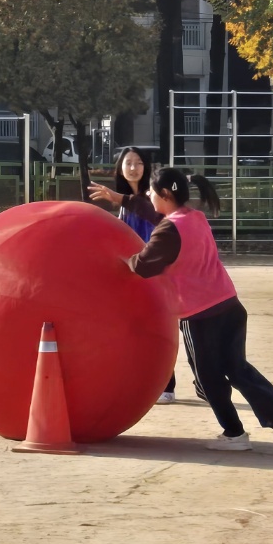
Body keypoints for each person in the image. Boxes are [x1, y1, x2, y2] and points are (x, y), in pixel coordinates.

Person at [128, 167, 273, 452]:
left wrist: (122, 260)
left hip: (199, 316)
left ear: (165, 194)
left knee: (208, 379)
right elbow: (158, 221)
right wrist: (123, 200)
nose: (148, 195)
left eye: (151, 191)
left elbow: (143, 265)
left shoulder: (169, 229)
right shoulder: (194, 218)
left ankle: (234, 433)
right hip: (230, 306)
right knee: (237, 369)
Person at [87, 147, 179, 404]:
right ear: (120, 168)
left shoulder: (153, 196)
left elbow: (159, 223)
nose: (133, 167)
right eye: (128, 162)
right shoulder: (123, 202)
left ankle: (167, 385)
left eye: (139, 163)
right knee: (135, 328)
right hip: (134, 272)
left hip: (155, 271)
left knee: (162, 326)